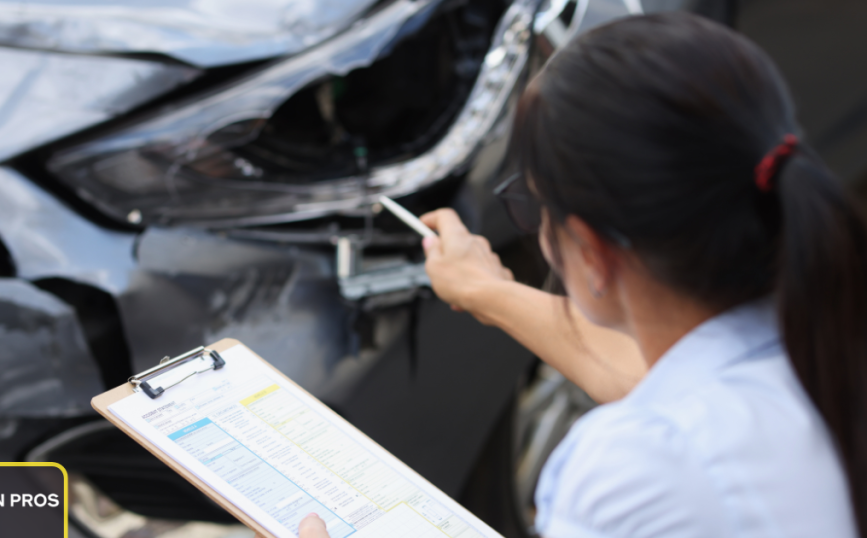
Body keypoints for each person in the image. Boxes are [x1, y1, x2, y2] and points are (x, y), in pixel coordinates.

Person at [292, 11, 865, 538]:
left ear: (591, 250)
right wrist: (487, 291)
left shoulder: (638, 464)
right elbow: (651, 378)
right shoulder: (825, 353)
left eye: (532, 205)